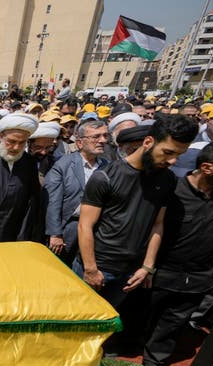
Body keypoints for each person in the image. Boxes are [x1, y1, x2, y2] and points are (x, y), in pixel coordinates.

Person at [75, 114, 199, 309]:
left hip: (131, 273)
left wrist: (147, 267)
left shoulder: (167, 179)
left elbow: (157, 224)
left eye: (178, 155)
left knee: (109, 327)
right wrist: (91, 269)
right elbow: (85, 225)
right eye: (167, 152)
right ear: (148, 142)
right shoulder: (105, 177)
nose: (173, 161)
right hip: (98, 269)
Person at [142, 144, 213, 366]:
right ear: (207, 168)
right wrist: (148, 266)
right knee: (143, 313)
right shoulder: (173, 190)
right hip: (162, 270)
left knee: (175, 320)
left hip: (200, 275)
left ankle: (154, 359)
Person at [44, 120, 109, 266]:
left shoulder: (108, 167)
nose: (102, 140)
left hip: (97, 229)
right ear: (80, 143)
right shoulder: (64, 165)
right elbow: (53, 201)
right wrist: (55, 233)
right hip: (69, 228)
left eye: (105, 136)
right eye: (96, 137)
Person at [0, 113, 41, 242]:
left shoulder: (29, 163)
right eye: (12, 142)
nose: (16, 148)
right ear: (0, 136)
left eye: (22, 143)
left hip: (16, 232)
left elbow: (31, 204)